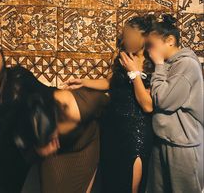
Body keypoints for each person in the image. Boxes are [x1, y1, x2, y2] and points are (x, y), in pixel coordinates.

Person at [0, 43, 109, 193]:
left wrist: (68, 95)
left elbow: (45, 93)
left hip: (23, 148)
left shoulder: (18, 74)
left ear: (2, 58)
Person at [62, 15, 155, 193]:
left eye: (129, 35)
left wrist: (134, 72)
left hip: (137, 128)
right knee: (112, 181)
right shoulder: (122, 58)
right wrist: (83, 82)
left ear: (143, 37)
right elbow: (109, 83)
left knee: (131, 185)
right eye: (124, 35)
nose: (124, 39)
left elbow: (147, 104)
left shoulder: (154, 63)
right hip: (112, 125)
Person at [146, 14, 203, 193]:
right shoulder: (171, 64)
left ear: (170, 40)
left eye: (152, 45)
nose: (148, 51)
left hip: (182, 147)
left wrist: (159, 66)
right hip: (164, 141)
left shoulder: (186, 65)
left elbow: (163, 101)